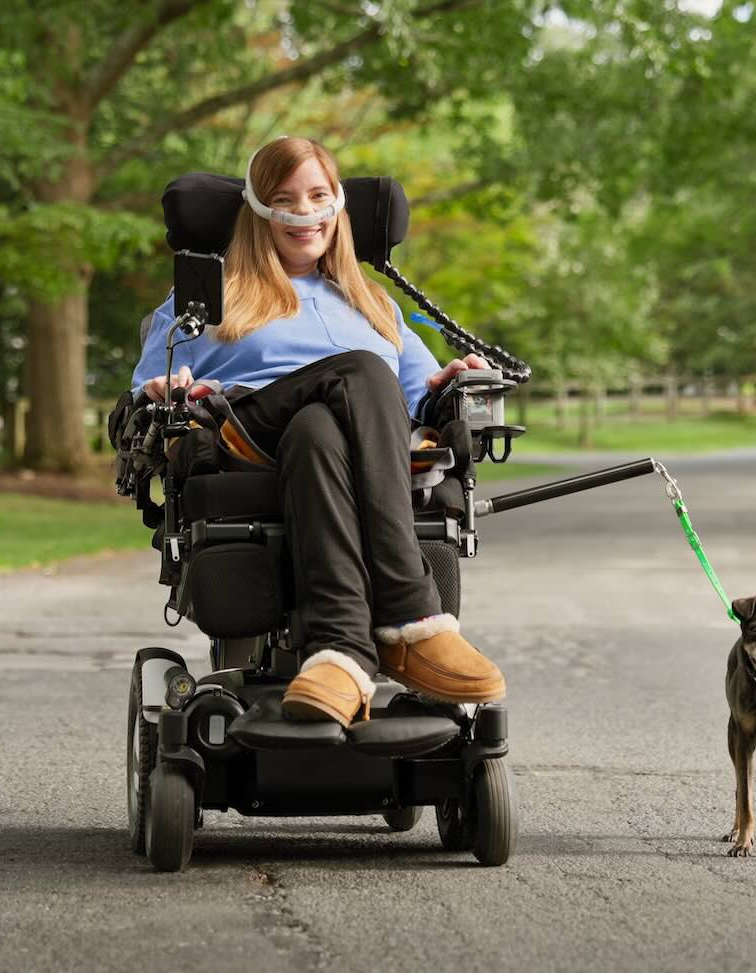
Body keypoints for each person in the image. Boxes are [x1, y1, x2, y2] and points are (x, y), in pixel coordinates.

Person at [130, 135, 505, 727]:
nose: (304, 213)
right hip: (243, 438)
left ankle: (342, 653)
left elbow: (417, 400)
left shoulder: (375, 304)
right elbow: (143, 393)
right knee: (358, 372)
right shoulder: (208, 296)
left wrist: (450, 381)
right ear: (257, 210)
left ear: (339, 206)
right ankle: (410, 614)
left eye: (318, 196)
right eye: (286, 198)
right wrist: (161, 388)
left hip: (330, 448)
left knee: (318, 426)